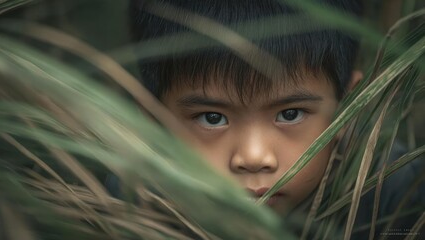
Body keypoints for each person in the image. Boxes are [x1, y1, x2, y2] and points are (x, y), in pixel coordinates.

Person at [121, 0, 424, 238]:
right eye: (212, 118)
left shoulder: (399, 201)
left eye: (289, 114)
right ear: (153, 120)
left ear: (347, 108)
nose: (254, 157)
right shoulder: (124, 206)